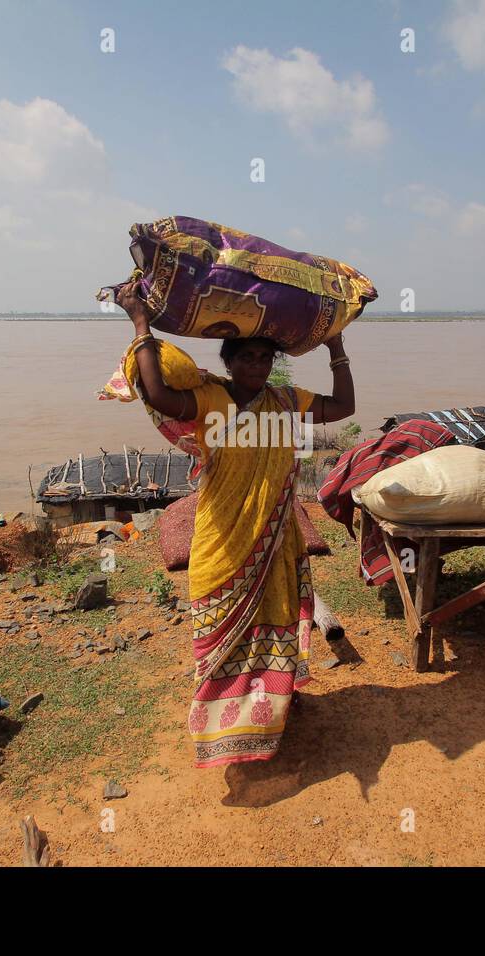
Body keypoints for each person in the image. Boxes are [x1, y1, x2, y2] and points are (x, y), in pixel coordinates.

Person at [115, 282, 355, 767]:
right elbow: (160, 396)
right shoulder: (210, 399)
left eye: (264, 357)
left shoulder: (285, 400)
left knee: (278, 618)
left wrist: (336, 346)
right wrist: (140, 322)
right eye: (247, 357)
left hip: (273, 536)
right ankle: (226, 719)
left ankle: (274, 708)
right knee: (216, 628)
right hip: (222, 536)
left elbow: (344, 408)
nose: (257, 365)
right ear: (229, 361)